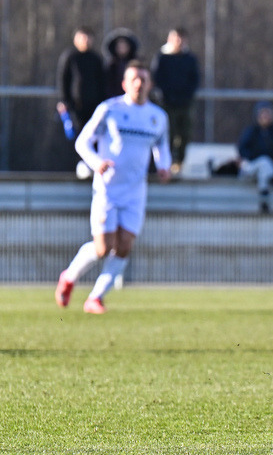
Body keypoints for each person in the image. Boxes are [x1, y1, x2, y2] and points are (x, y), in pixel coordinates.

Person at [54, 61, 170, 314]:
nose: (139, 84)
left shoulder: (157, 117)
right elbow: (82, 142)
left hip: (136, 191)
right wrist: (97, 163)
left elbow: (161, 146)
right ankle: (69, 277)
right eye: (134, 79)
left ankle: (95, 298)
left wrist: (164, 166)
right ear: (124, 84)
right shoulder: (110, 110)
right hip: (108, 189)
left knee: (125, 245)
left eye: (143, 79)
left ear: (150, 84)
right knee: (102, 248)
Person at [151, 27, 201, 175]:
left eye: (181, 38)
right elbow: (157, 78)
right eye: (176, 37)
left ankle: (179, 162)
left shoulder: (190, 59)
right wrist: (166, 95)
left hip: (185, 103)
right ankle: (165, 163)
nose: (179, 41)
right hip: (167, 103)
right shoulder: (162, 57)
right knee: (168, 133)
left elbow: (195, 80)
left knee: (185, 133)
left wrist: (186, 95)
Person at [238, 101, 273, 214]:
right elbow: (242, 149)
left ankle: (264, 200)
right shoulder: (251, 131)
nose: (265, 116)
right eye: (262, 113)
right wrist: (254, 156)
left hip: (271, 168)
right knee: (263, 162)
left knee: (264, 169)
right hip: (252, 167)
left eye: (267, 113)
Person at [56, 26, 106, 132]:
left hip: (93, 105)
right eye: (82, 37)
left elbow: (101, 82)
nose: (86, 40)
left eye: (88, 37)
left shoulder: (96, 59)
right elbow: (63, 79)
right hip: (75, 106)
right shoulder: (70, 57)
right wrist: (64, 100)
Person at [102, 28, 141, 97]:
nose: (122, 48)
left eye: (124, 46)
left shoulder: (137, 65)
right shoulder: (110, 66)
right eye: (119, 46)